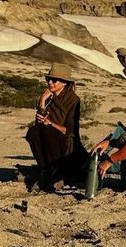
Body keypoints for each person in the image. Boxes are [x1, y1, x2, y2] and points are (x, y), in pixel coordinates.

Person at [25, 62, 88, 191]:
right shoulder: (48, 98)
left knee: (47, 131)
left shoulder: (73, 100)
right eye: (49, 79)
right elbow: (39, 124)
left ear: (64, 82)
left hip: (65, 140)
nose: (50, 83)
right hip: (46, 134)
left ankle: (58, 173)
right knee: (33, 132)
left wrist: (51, 124)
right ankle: (44, 171)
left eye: (54, 80)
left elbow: (70, 130)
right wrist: (42, 102)